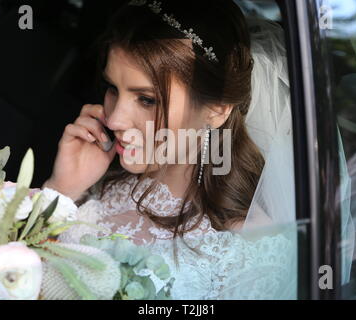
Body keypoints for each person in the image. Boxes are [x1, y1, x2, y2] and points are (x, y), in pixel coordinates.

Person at [41, 0, 297, 299]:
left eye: (147, 99)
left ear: (217, 109)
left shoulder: (251, 247)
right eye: (113, 89)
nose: (114, 119)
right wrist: (62, 189)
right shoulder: (102, 182)